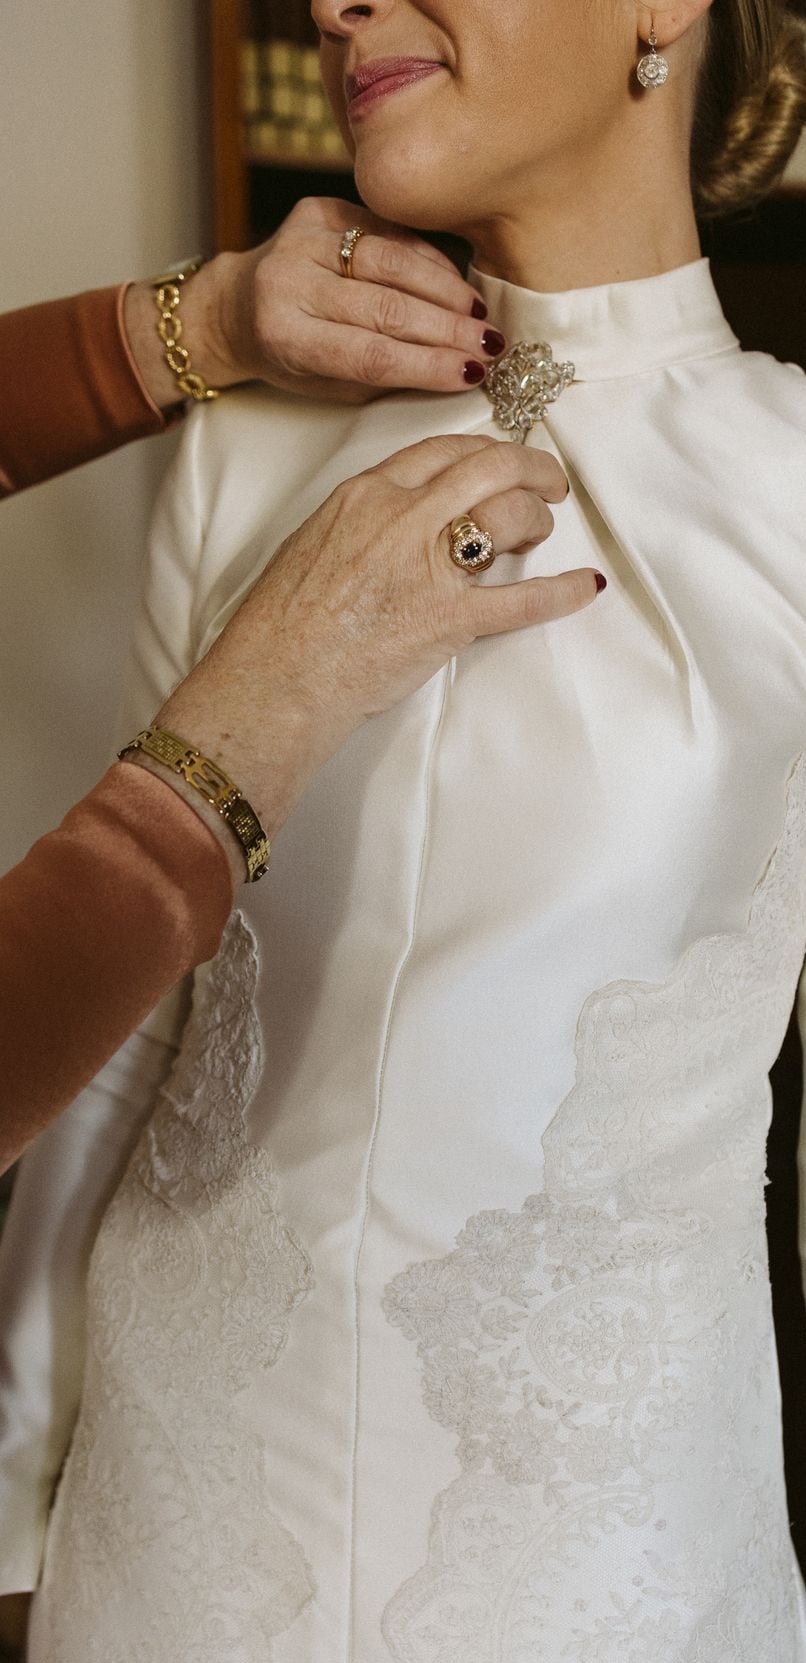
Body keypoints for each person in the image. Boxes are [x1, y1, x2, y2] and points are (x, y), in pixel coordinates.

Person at [4, 2, 806, 1663]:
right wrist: (15, 1493)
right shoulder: (240, 443)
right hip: (169, 1593)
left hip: (598, 1636)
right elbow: (121, 1034)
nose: (338, 0)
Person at [0, 200, 599, 1169]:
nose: (330, 31)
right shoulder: (239, 449)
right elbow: (136, 1061)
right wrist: (267, 701)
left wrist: (198, 323)